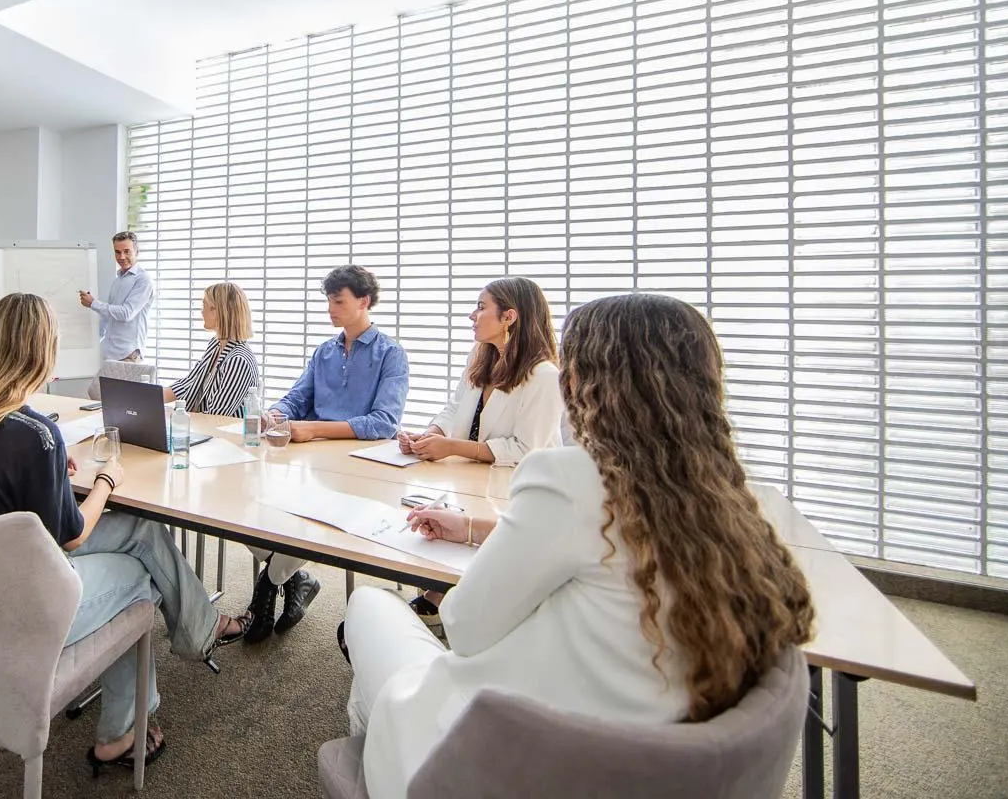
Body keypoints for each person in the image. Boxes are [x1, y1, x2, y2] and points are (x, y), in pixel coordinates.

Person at [340, 293, 815, 799]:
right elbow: (607, 548)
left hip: (503, 757)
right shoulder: (724, 497)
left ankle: (381, 763)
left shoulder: (571, 476)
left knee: (370, 605)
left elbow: (465, 626)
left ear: (588, 382)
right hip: (633, 749)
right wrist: (477, 527)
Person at [0, 293, 249, 772]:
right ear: (45, 351)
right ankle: (123, 732)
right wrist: (106, 480)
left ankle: (188, 643)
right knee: (138, 578)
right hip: (17, 608)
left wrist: (49, 476)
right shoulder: (34, 434)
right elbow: (72, 536)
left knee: (141, 533)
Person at [248, 265, 409, 644]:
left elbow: (384, 422)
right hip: (310, 460)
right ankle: (295, 577)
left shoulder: (390, 354)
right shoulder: (324, 351)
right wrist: (273, 413)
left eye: (338, 301)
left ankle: (268, 584)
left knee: (307, 520)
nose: (330, 309)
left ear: (364, 301)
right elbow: (298, 398)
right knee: (251, 507)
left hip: (360, 469)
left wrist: (314, 429)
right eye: (329, 301)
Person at [394, 277, 565, 630]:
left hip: (513, 489)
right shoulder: (480, 356)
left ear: (510, 317)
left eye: (481, 307)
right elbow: (453, 408)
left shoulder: (545, 376)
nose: (472, 315)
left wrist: (451, 447)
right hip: (467, 480)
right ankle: (439, 595)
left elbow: (525, 450)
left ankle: (448, 604)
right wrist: (431, 435)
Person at [162, 282, 260, 415]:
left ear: (218, 311)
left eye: (205, 305)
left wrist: (175, 417)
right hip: (204, 429)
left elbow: (216, 415)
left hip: (221, 434)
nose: (202, 311)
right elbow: (190, 383)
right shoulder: (215, 344)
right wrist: (150, 398)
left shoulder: (238, 360)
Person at [82, 231, 154, 399]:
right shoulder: (118, 280)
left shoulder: (143, 280)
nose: (122, 256)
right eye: (117, 252)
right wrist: (95, 340)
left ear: (137, 251)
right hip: (111, 354)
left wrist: (94, 303)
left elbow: (127, 313)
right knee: (97, 396)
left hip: (128, 354)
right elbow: (108, 317)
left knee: (121, 404)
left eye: (127, 251)